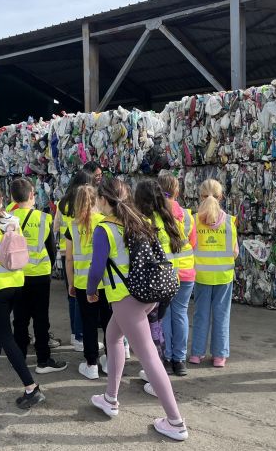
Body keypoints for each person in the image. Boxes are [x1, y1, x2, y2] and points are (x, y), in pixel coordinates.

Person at [87, 178, 188, 441]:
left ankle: (175, 422)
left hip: (126, 299)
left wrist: (90, 290)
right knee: (113, 337)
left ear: (104, 200)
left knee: (149, 357)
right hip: (146, 295)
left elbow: (96, 269)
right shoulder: (138, 220)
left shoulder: (105, 228)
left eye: (98, 198)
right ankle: (110, 398)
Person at [0, 183, 45, 409]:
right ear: (2, 199)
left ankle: (31, 388)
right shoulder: (14, 222)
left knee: (4, 336)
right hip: (17, 282)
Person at [10, 178, 67, 374]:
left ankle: (19, 358)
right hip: (40, 275)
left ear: (13, 198)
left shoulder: (8, 218)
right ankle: (43, 360)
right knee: (41, 318)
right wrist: (49, 268)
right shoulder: (44, 218)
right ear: (31, 195)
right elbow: (51, 249)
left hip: (16, 275)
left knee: (20, 318)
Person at [134, 179, 185, 385]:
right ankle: (159, 367)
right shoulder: (169, 220)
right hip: (170, 283)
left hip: (151, 286)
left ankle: (156, 372)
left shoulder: (142, 223)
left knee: (150, 332)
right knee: (157, 327)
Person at [190, 179, 238, 368]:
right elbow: (235, 252)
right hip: (224, 276)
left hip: (201, 275)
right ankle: (219, 356)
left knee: (200, 315)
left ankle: (196, 354)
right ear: (221, 197)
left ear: (200, 196)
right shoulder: (230, 221)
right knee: (221, 315)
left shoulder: (194, 220)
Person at [65, 184, 110, 379]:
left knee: (88, 323)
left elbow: (69, 259)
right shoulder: (105, 222)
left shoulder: (72, 226)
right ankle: (110, 361)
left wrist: (70, 282)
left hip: (83, 282)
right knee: (109, 323)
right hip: (106, 283)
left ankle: (91, 364)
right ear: (97, 200)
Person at [157, 171, 197, 376]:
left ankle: (166, 357)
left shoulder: (154, 215)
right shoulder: (188, 216)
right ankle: (179, 360)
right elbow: (193, 243)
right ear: (177, 192)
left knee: (164, 315)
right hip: (186, 271)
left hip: (164, 272)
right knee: (180, 314)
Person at [54, 170, 93, 351]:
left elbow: (55, 227)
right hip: (83, 252)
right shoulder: (87, 202)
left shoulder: (62, 203)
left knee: (72, 295)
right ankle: (80, 335)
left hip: (66, 251)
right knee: (83, 296)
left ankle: (74, 333)